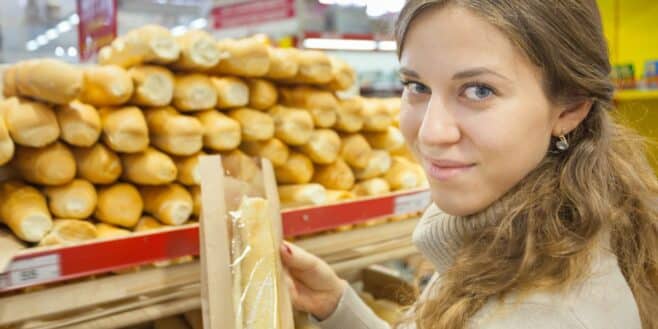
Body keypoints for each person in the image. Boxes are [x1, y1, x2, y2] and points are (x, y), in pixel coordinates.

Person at [279, 1, 658, 328]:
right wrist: (338, 307)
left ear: (570, 108)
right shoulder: (529, 237)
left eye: (479, 90)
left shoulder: (541, 314)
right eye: (417, 86)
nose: (431, 133)